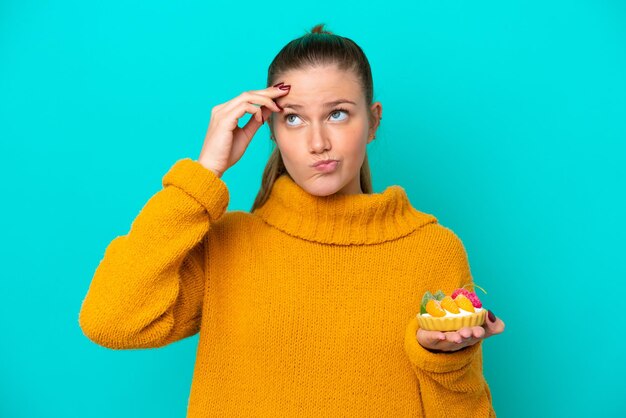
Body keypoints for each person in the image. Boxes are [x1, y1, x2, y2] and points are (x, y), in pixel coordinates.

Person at [79, 23, 505, 417]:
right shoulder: (230, 245)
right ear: (271, 130)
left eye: (338, 113)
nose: (318, 143)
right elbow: (110, 319)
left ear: (373, 121)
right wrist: (204, 172)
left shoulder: (430, 251)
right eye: (294, 118)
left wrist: (446, 362)